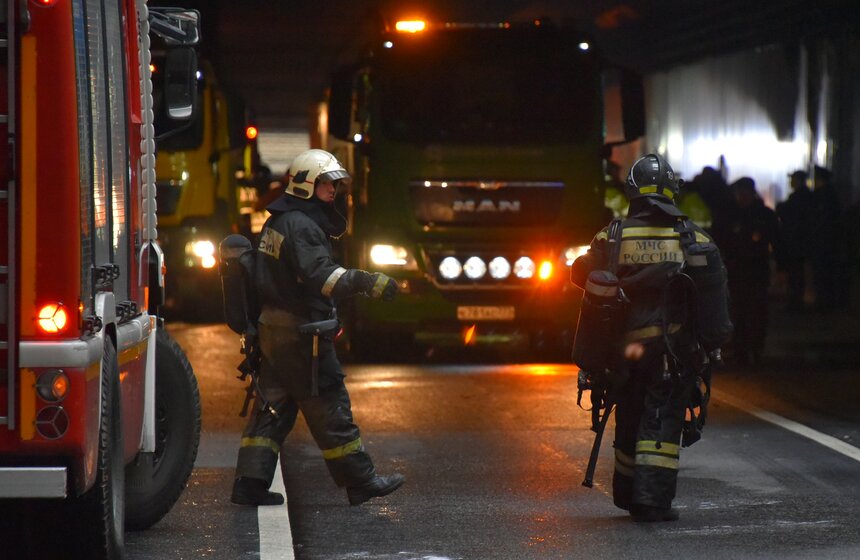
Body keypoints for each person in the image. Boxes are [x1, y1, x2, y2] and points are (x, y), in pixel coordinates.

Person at [231, 149, 405, 507]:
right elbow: (322, 278)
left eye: (335, 184)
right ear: (309, 184)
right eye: (328, 183)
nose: (334, 189)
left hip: (272, 332)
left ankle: (249, 483)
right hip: (301, 335)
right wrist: (367, 281)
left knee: (273, 408)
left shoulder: (277, 222)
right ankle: (361, 480)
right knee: (330, 403)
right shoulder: (302, 226)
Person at [571, 153, 731, 522]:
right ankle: (652, 502)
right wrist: (712, 343)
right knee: (660, 418)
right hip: (671, 350)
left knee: (628, 415)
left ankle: (627, 494)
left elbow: (580, 274)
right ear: (672, 191)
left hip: (620, 350)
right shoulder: (692, 236)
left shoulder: (611, 235)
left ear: (632, 191)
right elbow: (713, 293)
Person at [722, 177, 781, 366]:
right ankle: (740, 351)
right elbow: (718, 240)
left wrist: (781, 268)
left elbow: (778, 242)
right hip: (735, 272)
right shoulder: (729, 214)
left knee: (756, 313)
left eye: (744, 193)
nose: (741, 197)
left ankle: (755, 350)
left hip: (756, 272)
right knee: (738, 314)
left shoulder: (763, 215)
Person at [776, 170, 814, 311]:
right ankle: (796, 300)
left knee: (795, 272)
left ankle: (796, 301)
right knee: (797, 271)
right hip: (800, 240)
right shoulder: (806, 196)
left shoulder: (799, 197)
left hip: (796, 241)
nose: (790, 182)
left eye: (792, 179)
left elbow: (787, 213)